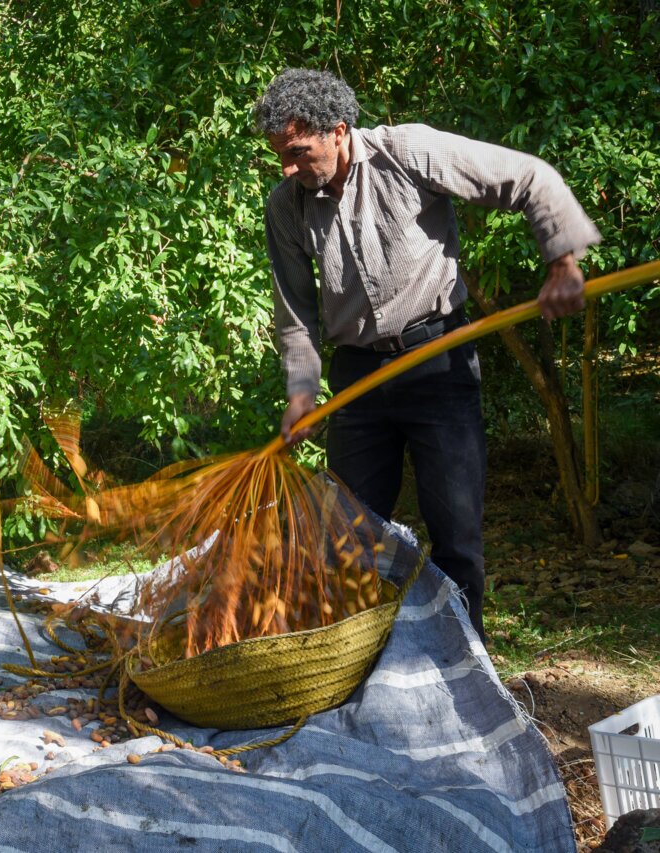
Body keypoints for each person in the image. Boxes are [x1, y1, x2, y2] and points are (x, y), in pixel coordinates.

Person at [254, 68, 600, 641]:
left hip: (438, 359)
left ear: (338, 131)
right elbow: (295, 312)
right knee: (348, 539)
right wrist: (301, 393)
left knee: (457, 536)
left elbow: (528, 177)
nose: (288, 168)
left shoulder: (409, 152)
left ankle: (469, 668)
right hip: (359, 380)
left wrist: (562, 261)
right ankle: (358, 666)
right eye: (279, 156)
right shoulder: (287, 207)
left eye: (297, 152)